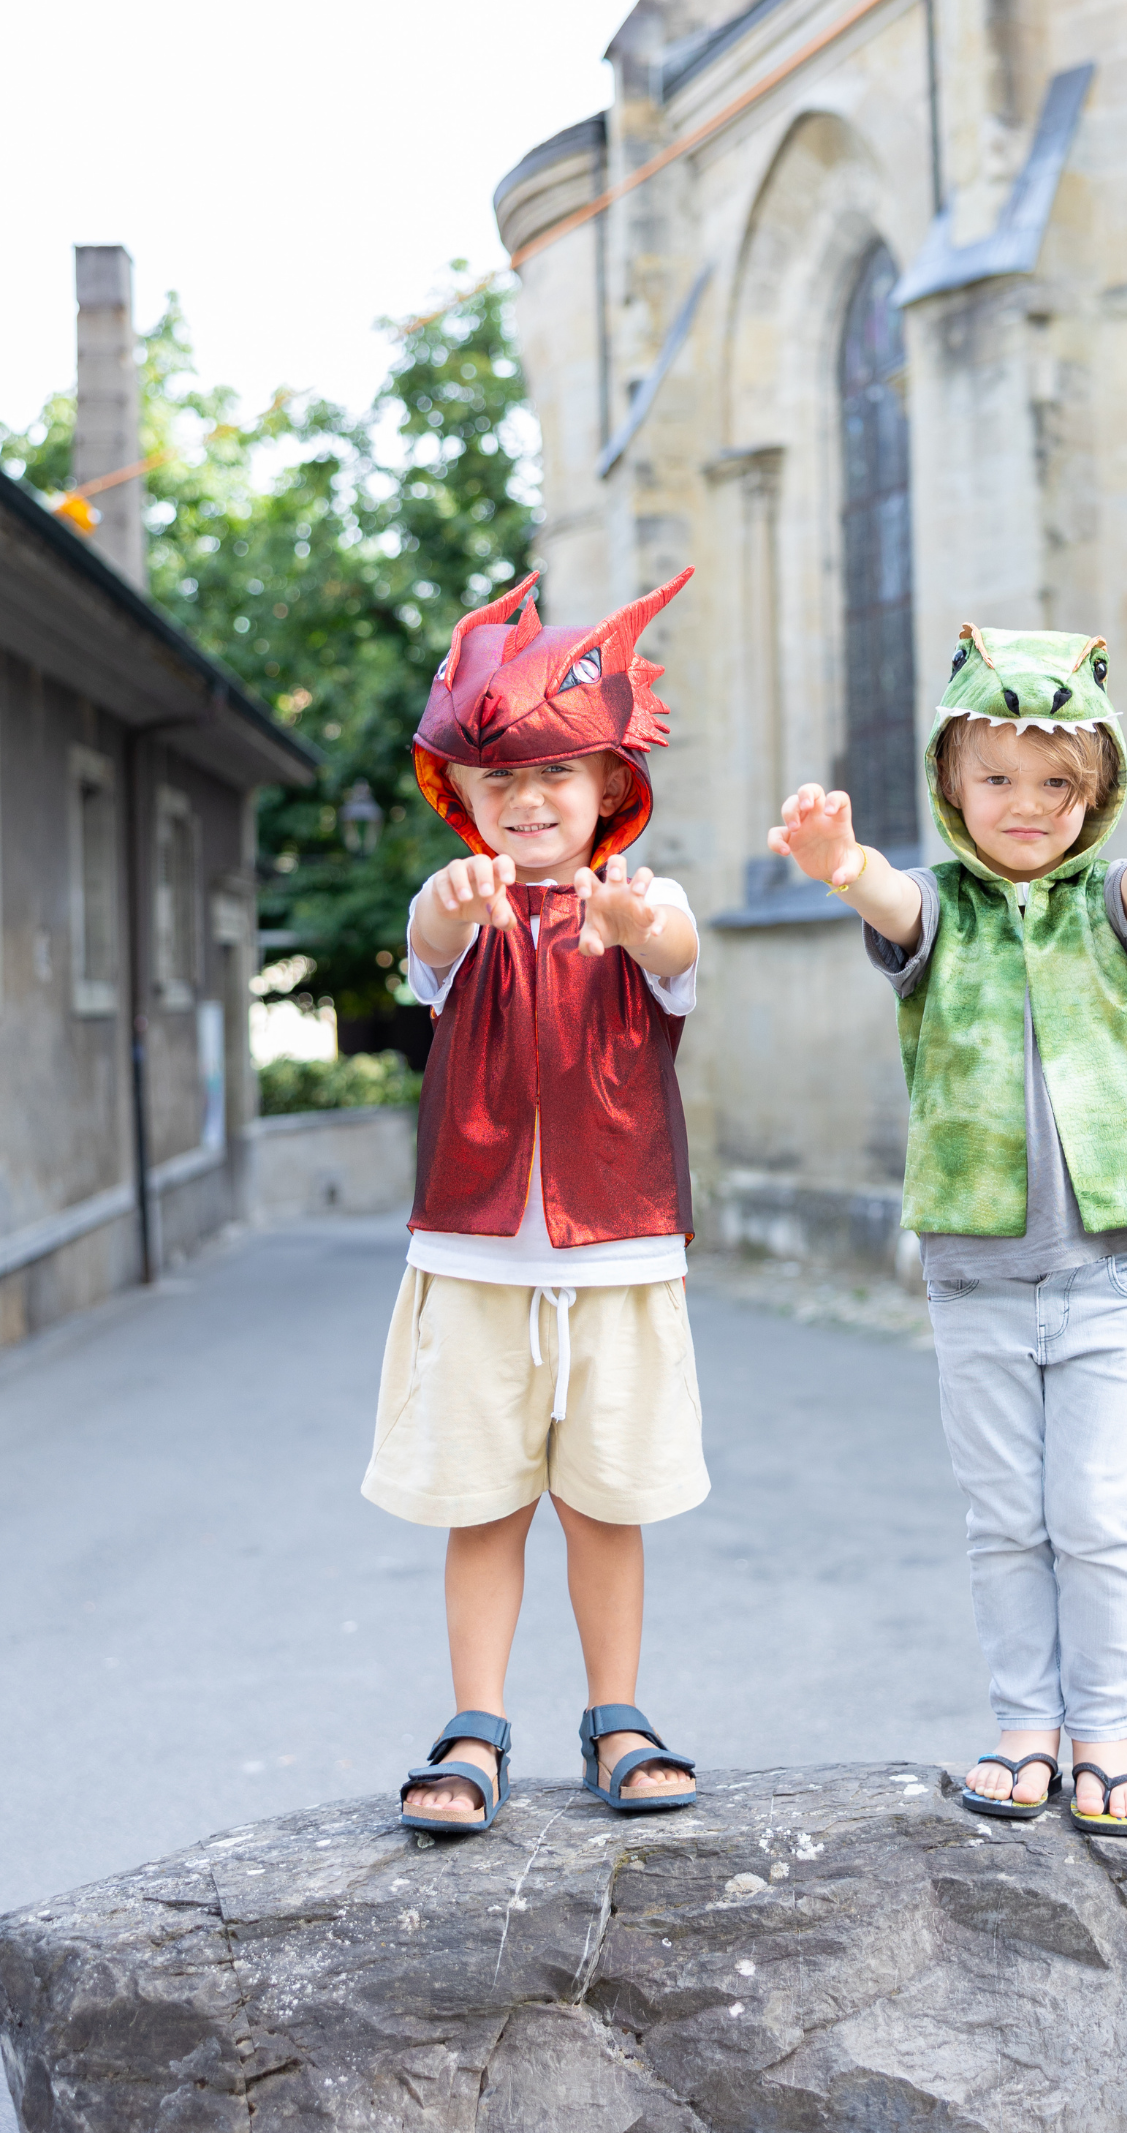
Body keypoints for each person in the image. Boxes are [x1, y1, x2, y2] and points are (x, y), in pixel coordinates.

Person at [768, 622, 1127, 1835]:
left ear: (1096, 796)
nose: (1026, 804)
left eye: (1058, 783)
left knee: (1093, 1517)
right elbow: (886, 896)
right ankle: (1022, 1730)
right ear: (949, 782)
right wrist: (841, 862)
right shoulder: (937, 914)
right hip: (977, 1274)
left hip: (1106, 1272)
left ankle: (1102, 1732)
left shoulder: (1109, 905)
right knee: (1005, 1520)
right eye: (996, 777)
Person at [362, 566, 706, 1830]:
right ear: (462, 795)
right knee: (483, 1499)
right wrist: (449, 913)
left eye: (558, 773)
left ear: (610, 785)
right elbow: (429, 950)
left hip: (614, 1253)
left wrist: (635, 923)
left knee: (604, 1501)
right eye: (499, 779)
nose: (529, 798)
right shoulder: (460, 905)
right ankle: (476, 1724)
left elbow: (673, 957)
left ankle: (617, 1714)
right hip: (478, 1257)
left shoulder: (644, 904)